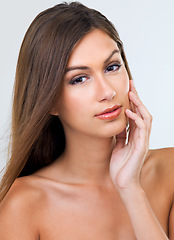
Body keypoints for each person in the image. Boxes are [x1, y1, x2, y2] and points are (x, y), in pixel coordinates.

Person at [0, 2, 173, 239]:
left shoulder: (170, 170)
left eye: (112, 67)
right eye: (79, 79)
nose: (107, 92)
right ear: (49, 101)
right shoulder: (24, 205)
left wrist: (130, 189)